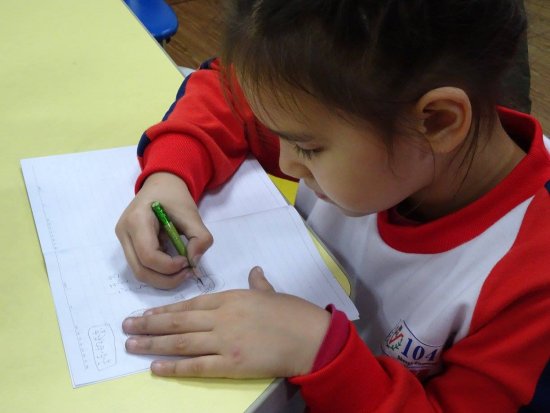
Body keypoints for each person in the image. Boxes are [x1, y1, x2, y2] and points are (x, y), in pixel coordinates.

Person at [116, 0, 550, 411]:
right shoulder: (367, 114)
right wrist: (169, 176)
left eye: (307, 147)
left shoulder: (531, 285)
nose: (285, 162)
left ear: (436, 121)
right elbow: (225, 92)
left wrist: (318, 349)